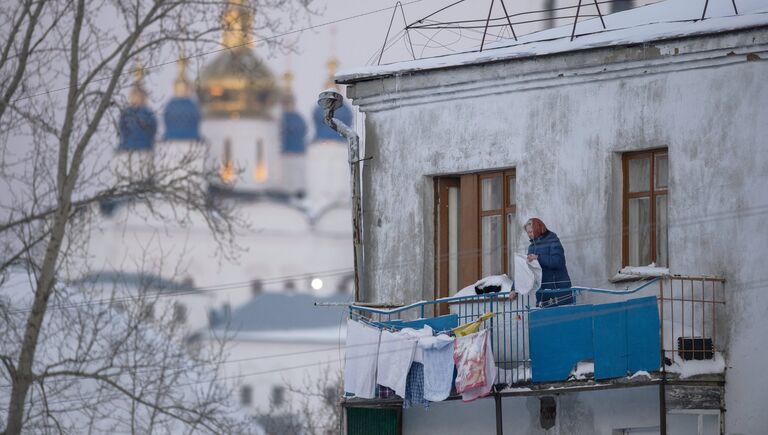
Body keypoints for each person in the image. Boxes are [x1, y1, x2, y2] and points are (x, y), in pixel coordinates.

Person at [525, 218, 573, 307]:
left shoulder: (552, 240)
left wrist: (538, 258)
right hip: (542, 294)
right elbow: (526, 269)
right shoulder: (531, 247)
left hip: (558, 291)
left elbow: (558, 261)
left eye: (531, 231)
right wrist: (514, 289)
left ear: (538, 229)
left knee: (559, 319)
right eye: (528, 232)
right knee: (543, 320)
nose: (529, 235)